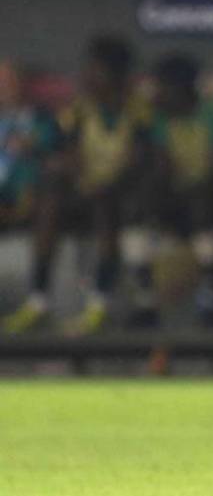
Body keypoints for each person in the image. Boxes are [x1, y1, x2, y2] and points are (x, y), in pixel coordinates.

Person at [8, 36, 153, 334]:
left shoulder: (138, 112)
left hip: (123, 199)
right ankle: (38, 301)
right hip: (86, 192)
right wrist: (62, 165)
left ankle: (99, 304)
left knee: (106, 204)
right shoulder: (80, 109)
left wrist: (107, 184)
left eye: (95, 70)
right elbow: (66, 151)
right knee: (50, 200)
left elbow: (140, 164)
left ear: (115, 75)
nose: (86, 76)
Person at [144, 53, 213, 326]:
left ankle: (211, 296)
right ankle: (146, 300)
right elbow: (161, 169)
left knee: (205, 200)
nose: (157, 94)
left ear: (179, 88)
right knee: (147, 204)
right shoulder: (160, 121)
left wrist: (194, 189)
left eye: (161, 87)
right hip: (179, 200)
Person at [0, 61, 61, 333]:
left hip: (29, 196)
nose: (4, 89)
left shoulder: (41, 119)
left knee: (47, 206)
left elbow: (49, 154)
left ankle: (38, 301)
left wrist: (25, 192)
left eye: (9, 81)